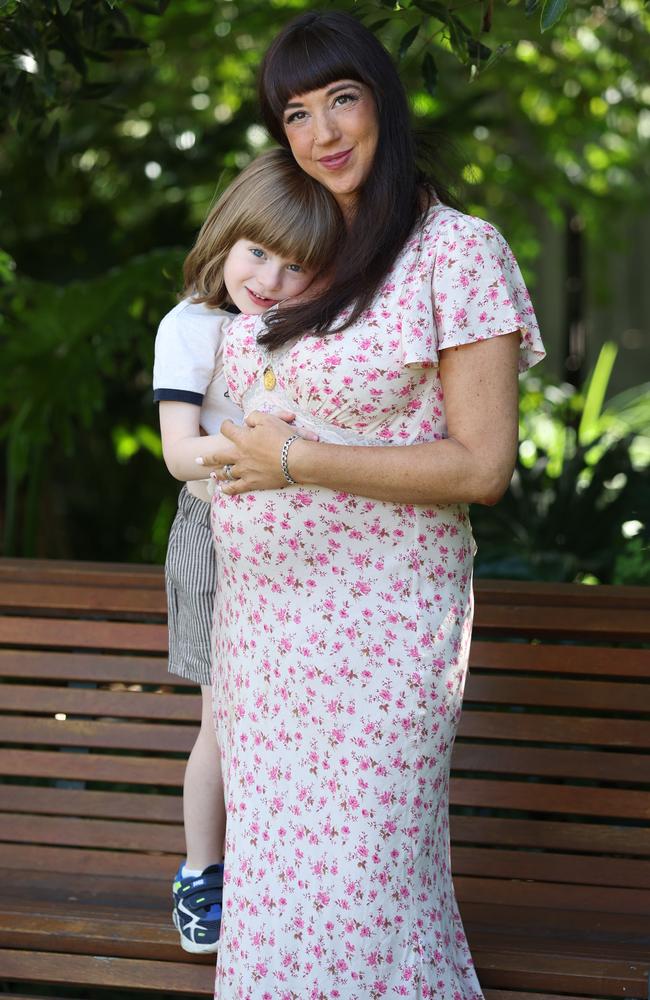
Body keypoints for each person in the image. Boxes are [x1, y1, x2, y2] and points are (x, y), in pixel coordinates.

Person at [207, 10, 545, 998]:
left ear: (383, 104)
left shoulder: (457, 252)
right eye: (296, 114)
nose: (321, 134)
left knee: (366, 893)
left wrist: (298, 462)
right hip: (266, 633)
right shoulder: (297, 251)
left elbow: (480, 466)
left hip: (383, 635)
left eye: (340, 100)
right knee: (275, 894)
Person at [152, 147, 342, 954]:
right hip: (217, 536)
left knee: (291, 719)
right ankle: (204, 875)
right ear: (227, 237)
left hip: (296, 544)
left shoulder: (303, 331)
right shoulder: (194, 326)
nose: (269, 278)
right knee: (222, 721)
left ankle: (286, 873)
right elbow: (178, 452)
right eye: (257, 251)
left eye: (296, 265)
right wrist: (261, 453)